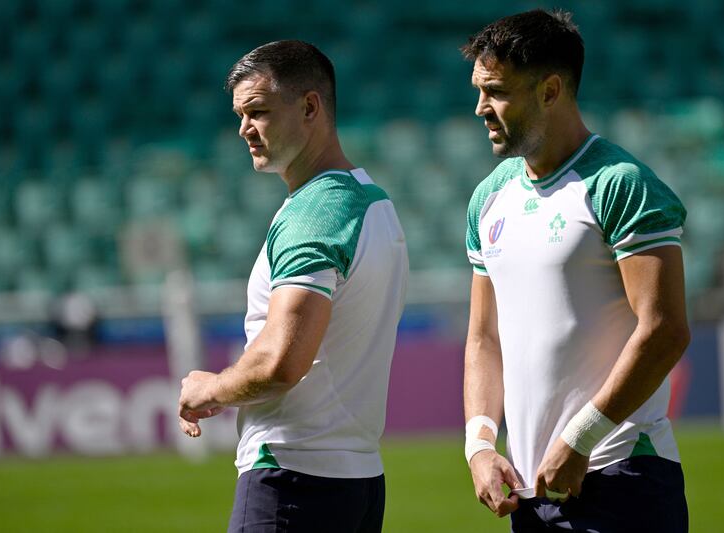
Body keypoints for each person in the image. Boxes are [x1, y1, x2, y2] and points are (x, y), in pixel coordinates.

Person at [460, 10, 690, 532]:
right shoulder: (488, 198)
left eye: (495, 91)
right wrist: (478, 444)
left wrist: (581, 436)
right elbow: (483, 337)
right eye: (478, 91)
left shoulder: (621, 183)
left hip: (622, 473)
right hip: (533, 490)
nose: (480, 109)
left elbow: (665, 330)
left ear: (550, 91)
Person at [177, 40, 408, 533]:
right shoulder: (372, 200)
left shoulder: (315, 213)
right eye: (240, 115)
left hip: (294, 481)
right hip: (357, 479)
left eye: (257, 111)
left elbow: (283, 362)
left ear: (309, 107)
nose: (244, 129)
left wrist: (209, 387)